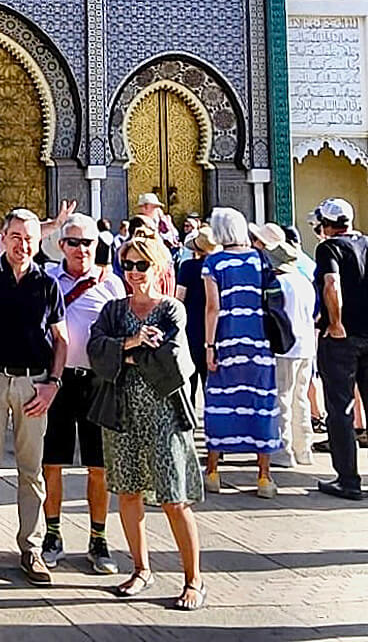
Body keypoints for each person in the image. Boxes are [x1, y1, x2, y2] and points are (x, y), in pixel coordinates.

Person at [88, 226, 205, 610]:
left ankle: (194, 580)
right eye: (127, 265)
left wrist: (121, 355)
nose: (134, 272)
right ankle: (140, 568)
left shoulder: (171, 308)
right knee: (127, 492)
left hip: (163, 413)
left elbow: (171, 361)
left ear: (157, 267)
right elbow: (95, 351)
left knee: (174, 497)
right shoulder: (113, 310)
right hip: (121, 411)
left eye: (141, 265)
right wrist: (134, 344)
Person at [0, 208, 68, 587]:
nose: (22, 245)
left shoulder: (47, 283)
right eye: (15, 237)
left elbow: (62, 339)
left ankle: (32, 547)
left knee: (31, 470)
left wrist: (52, 383)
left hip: (33, 384)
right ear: (2, 238)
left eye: (29, 238)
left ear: (39, 241)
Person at [39, 213, 126, 576]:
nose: (80, 249)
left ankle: (98, 537)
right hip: (56, 382)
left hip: (96, 383)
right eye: (72, 242)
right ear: (61, 246)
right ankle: (53, 534)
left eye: (87, 242)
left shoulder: (111, 285)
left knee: (98, 466)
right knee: (52, 463)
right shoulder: (46, 280)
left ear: (97, 245)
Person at [202, 207, 281, 497]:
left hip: (227, 342)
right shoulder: (260, 259)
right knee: (260, 402)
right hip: (259, 343)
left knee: (220, 402)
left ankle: (212, 472)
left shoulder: (213, 262)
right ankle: (263, 478)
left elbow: (213, 307)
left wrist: (209, 346)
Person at [310, 197, 368, 499]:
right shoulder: (365, 244)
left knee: (340, 408)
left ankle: (348, 479)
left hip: (343, 340)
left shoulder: (329, 248)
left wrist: (336, 322)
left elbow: (331, 284)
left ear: (325, 224)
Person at [257, 226, 317, 468]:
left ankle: (284, 450)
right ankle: (304, 449)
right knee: (300, 398)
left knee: (282, 398)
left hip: (284, 346)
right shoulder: (305, 283)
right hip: (305, 346)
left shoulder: (278, 284)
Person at [174, 225, 220, 404]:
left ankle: (190, 419)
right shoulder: (218, 267)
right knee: (210, 380)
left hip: (191, 326)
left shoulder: (187, 267)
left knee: (190, 377)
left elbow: (179, 298)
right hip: (213, 327)